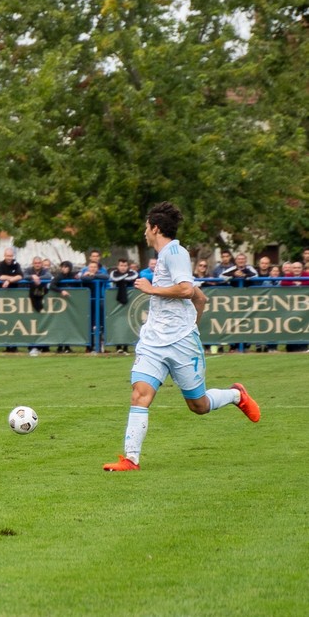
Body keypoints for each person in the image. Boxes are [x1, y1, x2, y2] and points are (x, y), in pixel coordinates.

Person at [103, 202, 260, 472]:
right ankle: (130, 459)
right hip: (153, 342)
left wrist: (152, 291)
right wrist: (190, 321)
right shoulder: (166, 257)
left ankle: (236, 395)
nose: (144, 232)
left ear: (155, 228)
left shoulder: (175, 252)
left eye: (146, 227)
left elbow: (186, 290)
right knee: (140, 395)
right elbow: (200, 297)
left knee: (198, 405)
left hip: (181, 344)